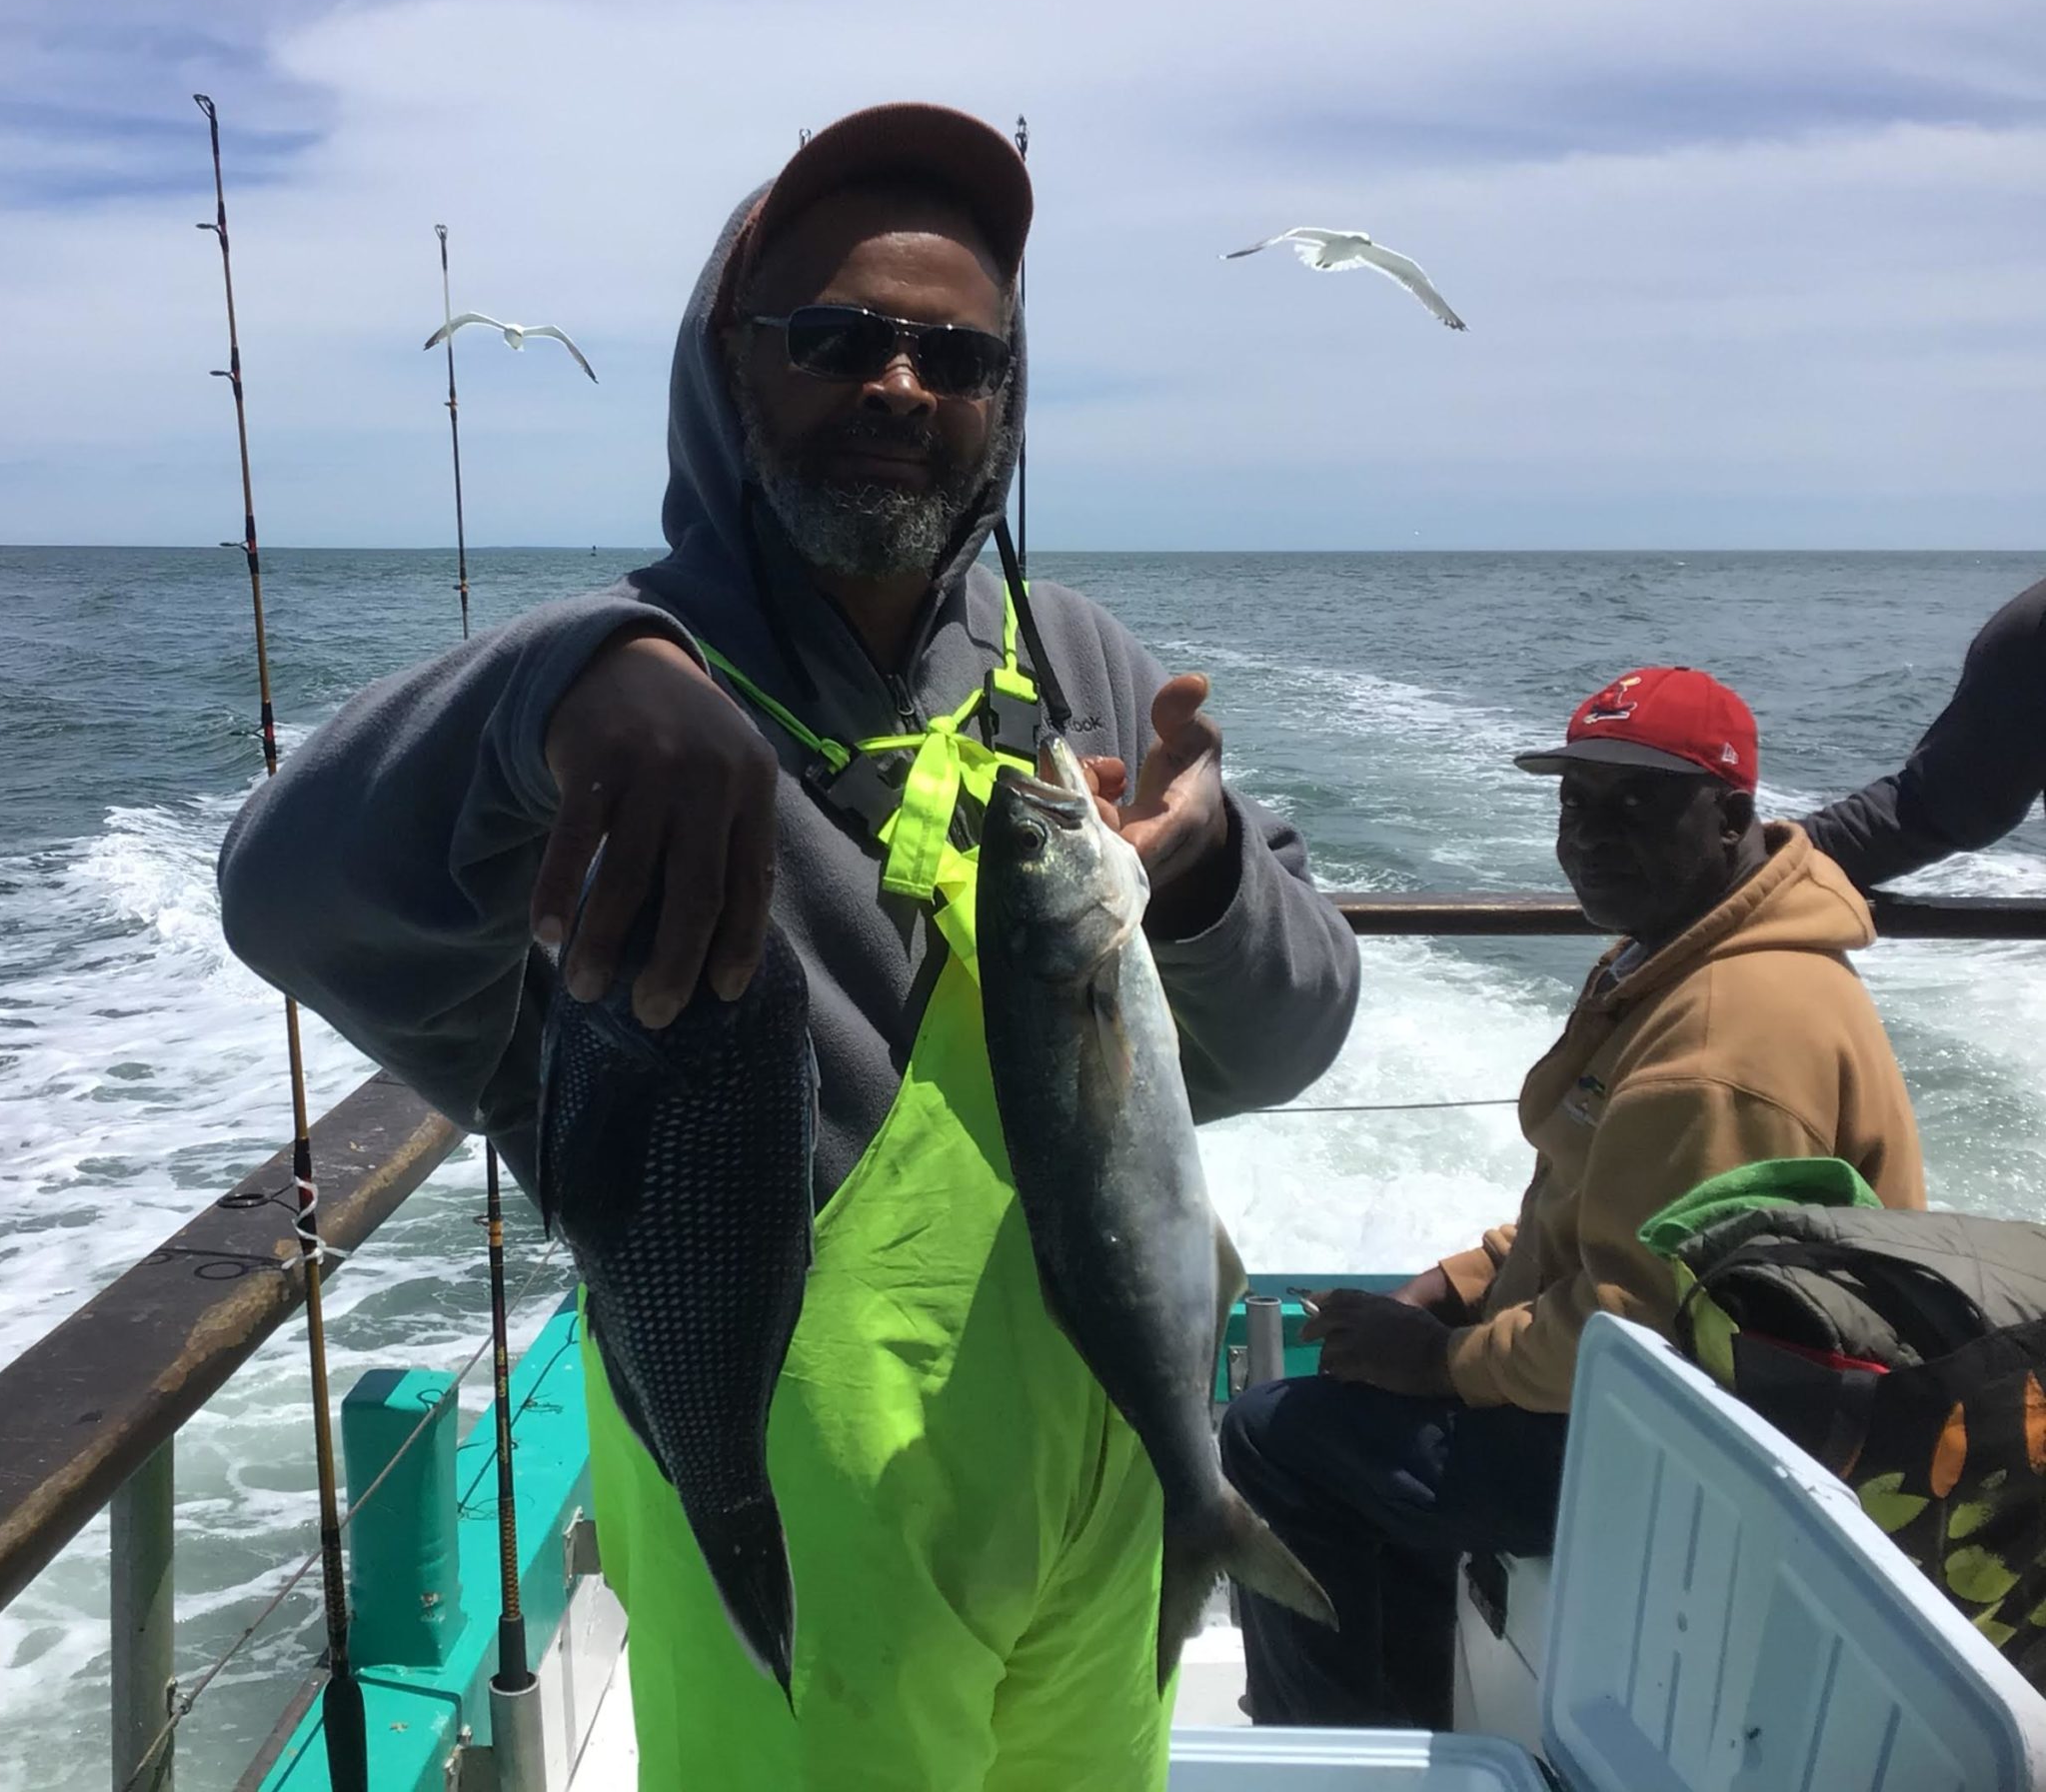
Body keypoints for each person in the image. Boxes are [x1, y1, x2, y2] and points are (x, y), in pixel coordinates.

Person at [216, 103, 1360, 1788]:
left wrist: (1191, 897)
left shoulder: (1083, 674)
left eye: (958, 358)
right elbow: (285, 890)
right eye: (834, 340)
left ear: (1005, 406)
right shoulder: (597, 721)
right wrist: (565, 686)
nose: (900, 386)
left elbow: (1296, 1034)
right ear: (725, 371)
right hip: (788, 1541)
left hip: (1112, 1492)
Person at [1221, 665, 1927, 1731]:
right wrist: (1453, 1288)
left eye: (1635, 806)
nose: (1590, 836)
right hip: (1681, 1400)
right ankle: (1408, 1714)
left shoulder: (1719, 1034)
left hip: (1714, 1455)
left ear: (1730, 817)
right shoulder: (1677, 956)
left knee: (1274, 1432)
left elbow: (1644, 1334)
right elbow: (1605, 1203)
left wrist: (1444, 1363)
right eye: (1576, 803)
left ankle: (1350, 1739)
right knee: (1354, 1422)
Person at [1805, 576, 2046, 891]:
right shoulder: (2031, 628)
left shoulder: (2031, 625)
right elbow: (1947, 805)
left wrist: (1756, 860)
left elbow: (1950, 807)